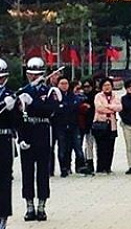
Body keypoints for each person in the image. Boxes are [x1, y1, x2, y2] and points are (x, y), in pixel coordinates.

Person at [17, 57, 59, 222]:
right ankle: (29, 206)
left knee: (43, 172)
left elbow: (49, 111)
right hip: (27, 132)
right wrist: (21, 137)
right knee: (27, 172)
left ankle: (42, 206)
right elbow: (17, 116)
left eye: (37, 75)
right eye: (30, 75)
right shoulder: (22, 91)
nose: (33, 78)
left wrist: (32, 102)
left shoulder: (49, 92)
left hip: (42, 133)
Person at [51, 76, 88, 177]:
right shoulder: (54, 96)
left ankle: (81, 167)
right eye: (62, 83)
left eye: (66, 83)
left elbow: (77, 105)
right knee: (62, 148)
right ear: (58, 85)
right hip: (60, 126)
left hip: (73, 125)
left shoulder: (73, 96)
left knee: (78, 147)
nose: (64, 86)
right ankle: (64, 168)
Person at [0, 58, 20, 229]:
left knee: (4, 180)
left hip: (4, 141)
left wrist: (13, 108)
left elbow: (17, 122)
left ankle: (3, 216)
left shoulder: (10, 96)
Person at [92, 77, 122, 174]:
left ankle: (108, 166)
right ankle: (101, 167)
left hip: (112, 124)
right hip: (101, 123)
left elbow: (119, 107)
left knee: (110, 146)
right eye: (105, 85)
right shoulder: (98, 96)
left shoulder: (115, 96)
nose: (107, 87)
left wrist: (109, 107)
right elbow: (99, 108)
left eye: (108, 85)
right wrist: (111, 109)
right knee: (101, 146)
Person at [79, 79, 96, 174]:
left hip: (94, 123)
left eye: (88, 86)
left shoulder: (95, 96)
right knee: (87, 145)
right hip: (82, 124)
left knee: (92, 144)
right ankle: (88, 162)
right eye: (84, 87)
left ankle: (96, 163)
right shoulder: (81, 97)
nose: (86, 89)